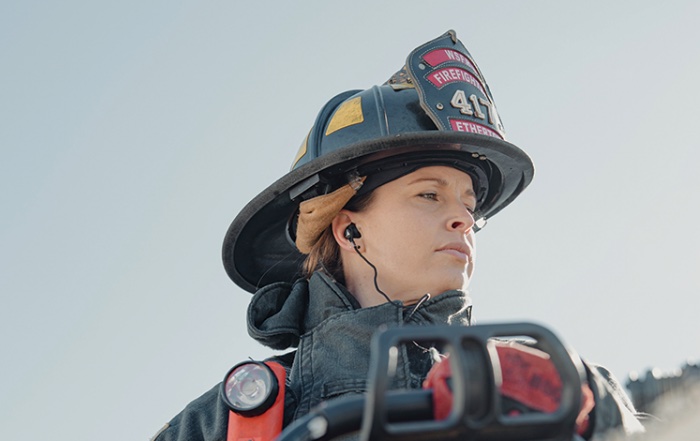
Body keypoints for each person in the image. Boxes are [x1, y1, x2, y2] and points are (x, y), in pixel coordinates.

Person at [151, 30, 645, 441]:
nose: (463, 220)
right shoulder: (224, 421)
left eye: (470, 205)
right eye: (428, 195)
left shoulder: (540, 386)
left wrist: (597, 412)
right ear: (348, 227)